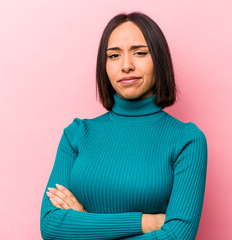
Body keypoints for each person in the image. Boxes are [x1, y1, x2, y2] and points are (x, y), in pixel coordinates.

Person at [40, 11, 207, 240]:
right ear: (104, 65)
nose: (126, 66)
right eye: (114, 55)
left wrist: (83, 224)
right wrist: (146, 222)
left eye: (139, 53)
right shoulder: (77, 134)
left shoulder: (186, 139)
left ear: (158, 59)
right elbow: (51, 225)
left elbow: (177, 236)